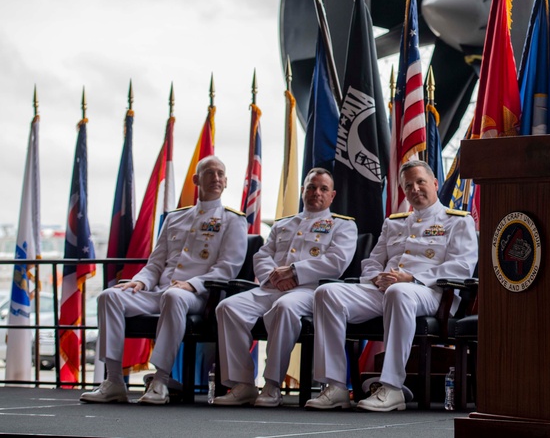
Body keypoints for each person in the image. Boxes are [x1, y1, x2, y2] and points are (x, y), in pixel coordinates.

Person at [306, 159, 477, 412]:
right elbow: (373, 261)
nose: (415, 189)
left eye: (420, 182)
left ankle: (392, 387)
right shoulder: (394, 222)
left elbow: (462, 267)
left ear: (435, 183)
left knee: (399, 292)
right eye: (408, 186)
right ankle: (336, 386)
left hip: (431, 293)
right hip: (386, 289)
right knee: (327, 292)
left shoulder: (458, 221)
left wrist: (410, 279)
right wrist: (377, 277)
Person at [81, 156, 248, 405]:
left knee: (174, 296)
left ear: (225, 182)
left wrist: (192, 284)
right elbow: (156, 263)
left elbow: (227, 268)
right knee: (110, 296)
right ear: (196, 180)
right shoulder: (174, 218)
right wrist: (140, 282)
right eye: (210, 173)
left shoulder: (233, 220)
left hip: (198, 296)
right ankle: (114, 380)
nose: (216, 178)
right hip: (160, 291)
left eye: (220, 174)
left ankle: (160, 380)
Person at [212, 168, 358, 407]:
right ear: (302, 191)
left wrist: (293, 272)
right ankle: (243, 384)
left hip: (309, 291)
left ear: (332, 196)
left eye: (323, 189)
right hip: (272, 287)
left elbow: (336, 262)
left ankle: (271, 384)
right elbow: (262, 255)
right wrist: (275, 276)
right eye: (311, 187)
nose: (316, 193)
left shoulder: (342, 226)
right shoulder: (283, 224)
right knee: (227, 307)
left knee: (285, 307)